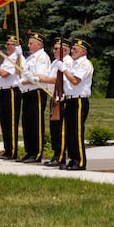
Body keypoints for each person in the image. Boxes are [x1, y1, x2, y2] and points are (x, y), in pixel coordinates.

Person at [59, 37, 93, 170]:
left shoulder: (85, 64)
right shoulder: (73, 63)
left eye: (75, 49)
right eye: (72, 49)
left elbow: (75, 81)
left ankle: (80, 161)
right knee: (70, 131)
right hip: (70, 99)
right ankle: (72, 159)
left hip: (79, 100)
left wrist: (64, 70)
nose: (72, 51)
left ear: (83, 52)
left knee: (77, 132)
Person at [0, 35, 23, 159]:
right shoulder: (9, 58)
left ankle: (12, 151)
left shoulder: (17, 58)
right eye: (7, 44)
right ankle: (7, 149)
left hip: (12, 92)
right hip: (3, 92)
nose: (7, 46)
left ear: (16, 46)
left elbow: (4, 74)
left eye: (11, 44)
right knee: (5, 122)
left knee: (11, 122)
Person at [17, 31, 48, 162]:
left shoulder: (41, 57)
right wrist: (18, 56)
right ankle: (29, 152)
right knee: (27, 123)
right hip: (27, 92)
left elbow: (39, 77)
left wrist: (25, 81)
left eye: (31, 43)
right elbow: (19, 72)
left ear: (38, 45)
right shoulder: (30, 58)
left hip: (37, 92)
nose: (28, 46)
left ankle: (37, 153)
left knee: (36, 123)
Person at [42, 36, 69, 166]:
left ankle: (61, 156)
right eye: (54, 48)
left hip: (62, 99)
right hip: (54, 98)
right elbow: (49, 76)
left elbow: (57, 79)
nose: (54, 50)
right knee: (54, 129)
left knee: (60, 129)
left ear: (65, 51)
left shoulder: (67, 62)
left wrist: (40, 80)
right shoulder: (55, 62)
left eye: (57, 48)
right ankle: (56, 154)